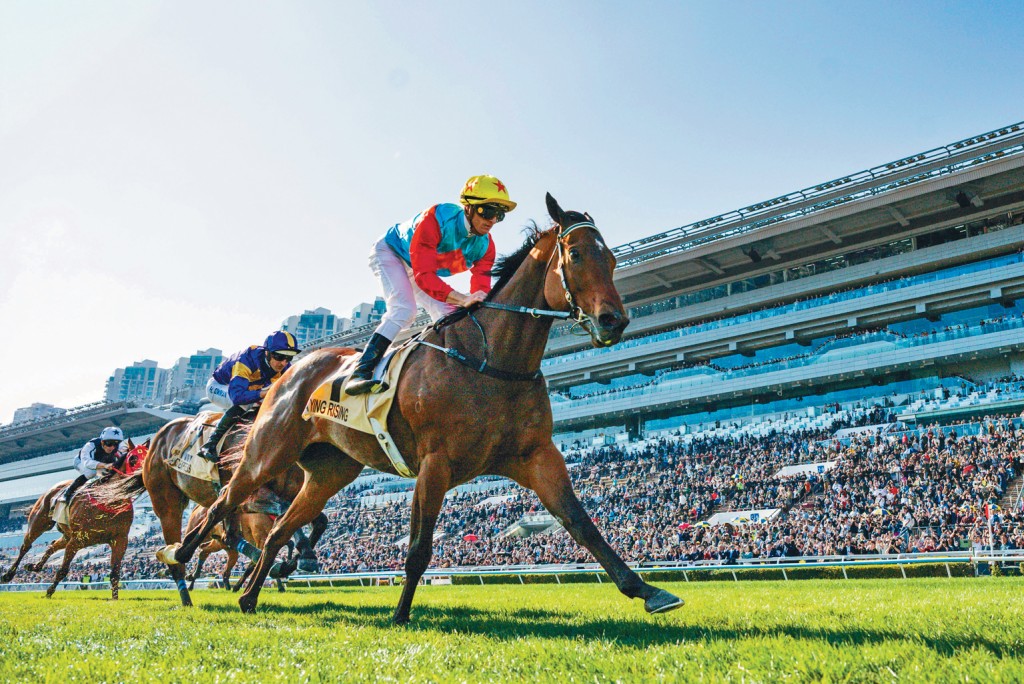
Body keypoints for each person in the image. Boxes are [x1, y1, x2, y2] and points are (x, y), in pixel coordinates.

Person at [345, 174, 516, 395]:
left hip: (418, 266)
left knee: (449, 314)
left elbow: (480, 292)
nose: (492, 220)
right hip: (391, 253)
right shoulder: (436, 218)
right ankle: (361, 372)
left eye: (499, 215)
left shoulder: (486, 246)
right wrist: (464, 298)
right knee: (404, 310)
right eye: (487, 211)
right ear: (468, 207)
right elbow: (425, 276)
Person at [197, 330, 300, 462]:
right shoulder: (246, 360)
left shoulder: (283, 365)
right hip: (220, 386)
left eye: (289, 358)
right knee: (246, 403)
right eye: (279, 357)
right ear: (267, 352)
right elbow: (237, 397)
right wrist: (263, 393)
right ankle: (210, 444)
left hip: (249, 387)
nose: (284, 363)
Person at [65, 427, 125, 504]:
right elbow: (87, 462)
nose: (112, 447)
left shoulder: (120, 446)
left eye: (116, 444)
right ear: (102, 442)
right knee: (91, 472)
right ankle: (69, 491)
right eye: (109, 444)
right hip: (81, 462)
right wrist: (104, 465)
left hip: (104, 461)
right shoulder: (91, 445)